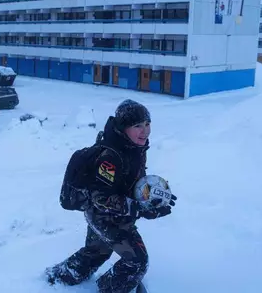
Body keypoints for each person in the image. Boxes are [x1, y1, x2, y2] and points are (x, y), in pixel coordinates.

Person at [46, 99, 177, 293]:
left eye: (147, 124)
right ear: (124, 128)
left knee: (97, 252)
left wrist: (150, 202)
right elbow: (102, 197)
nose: (145, 131)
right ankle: (109, 289)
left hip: (106, 213)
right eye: (137, 126)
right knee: (137, 262)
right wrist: (139, 208)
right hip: (105, 216)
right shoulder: (110, 157)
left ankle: (57, 277)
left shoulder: (133, 147)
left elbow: (129, 183)